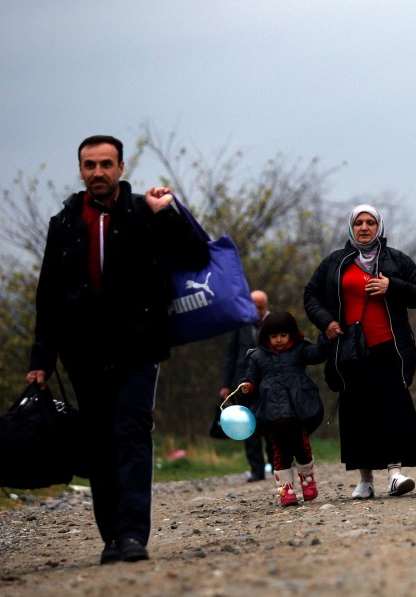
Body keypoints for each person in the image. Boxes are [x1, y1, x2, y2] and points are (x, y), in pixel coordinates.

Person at [26, 135, 210, 565]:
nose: (98, 173)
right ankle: (110, 536)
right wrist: (41, 358)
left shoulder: (145, 212)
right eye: (89, 165)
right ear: (80, 170)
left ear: (121, 168)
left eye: (106, 164)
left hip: (138, 347)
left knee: (130, 435)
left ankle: (132, 535)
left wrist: (169, 213)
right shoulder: (66, 222)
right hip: (81, 351)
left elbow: (196, 254)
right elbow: (48, 294)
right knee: (99, 444)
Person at [304, 204, 416, 499]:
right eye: (359, 222)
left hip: (389, 347)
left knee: (392, 408)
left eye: (370, 222)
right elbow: (310, 295)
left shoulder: (395, 259)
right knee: (358, 413)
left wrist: (392, 285)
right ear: (351, 227)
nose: (364, 227)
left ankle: (395, 474)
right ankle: (365, 480)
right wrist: (327, 321)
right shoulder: (335, 262)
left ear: (379, 227)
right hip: (350, 350)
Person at [239, 311, 328, 506]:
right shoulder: (257, 357)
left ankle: (308, 482)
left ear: (291, 334)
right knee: (280, 452)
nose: (279, 340)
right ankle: (285, 491)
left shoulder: (300, 349)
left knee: (302, 448)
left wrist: (325, 337)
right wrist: (247, 387)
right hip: (272, 415)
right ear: (266, 336)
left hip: (298, 411)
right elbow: (250, 379)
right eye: (274, 336)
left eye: (283, 335)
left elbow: (317, 354)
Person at [219, 289, 274, 482]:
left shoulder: (275, 323)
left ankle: (278, 466)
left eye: (261, 307)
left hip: (269, 382)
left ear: (266, 306)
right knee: (248, 425)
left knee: (272, 424)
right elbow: (231, 356)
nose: (258, 311)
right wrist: (226, 384)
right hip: (243, 383)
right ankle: (257, 470)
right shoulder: (240, 324)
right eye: (255, 307)